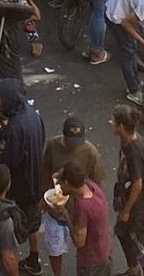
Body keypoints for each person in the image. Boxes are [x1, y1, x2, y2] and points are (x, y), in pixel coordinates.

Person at [0, 78, 45, 274]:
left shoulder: (16, 126)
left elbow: (10, 160)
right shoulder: (33, 116)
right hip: (36, 180)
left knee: (13, 228)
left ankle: (9, 262)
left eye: (0, 99)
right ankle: (34, 259)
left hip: (22, 186)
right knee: (34, 224)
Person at [39, 116, 105, 276]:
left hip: (79, 212)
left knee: (82, 247)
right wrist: (43, 196)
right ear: (63, 136)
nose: (74, 146)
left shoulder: (90, 152)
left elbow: (97, 183)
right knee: (55, 249)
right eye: (70, 142)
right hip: (55, 208)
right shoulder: (52, 146)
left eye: (77, 142)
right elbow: (45, 172)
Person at [111, 105, 144, 276]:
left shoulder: (133, 149)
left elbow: (138, 183)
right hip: (132, 195)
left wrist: (126, 211)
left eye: (114, 122)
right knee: (124, 233)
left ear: (122, 127)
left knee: (138, 239)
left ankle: (138, 271)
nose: (111, 124)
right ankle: (134, 269)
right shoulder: (128, 141)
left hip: (138, 201)